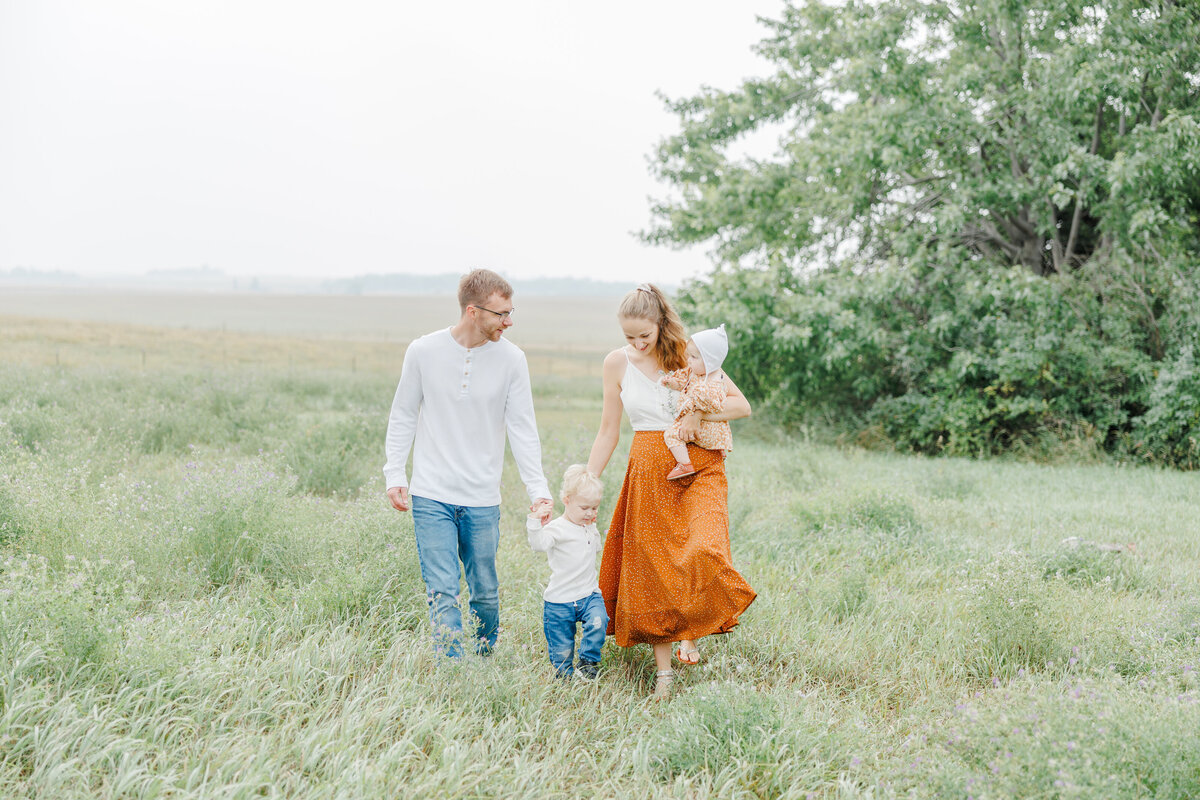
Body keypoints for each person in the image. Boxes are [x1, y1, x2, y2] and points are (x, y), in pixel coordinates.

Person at [586, 283, 756, 699]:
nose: (638, 344)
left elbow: (742, 405)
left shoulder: (690, 354)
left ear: (661, 325)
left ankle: (692, 628)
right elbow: (609, 429)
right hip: (648, 468)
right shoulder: (616, 364)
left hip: (700, 466)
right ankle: (664, 675)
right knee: (653, 569)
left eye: (645, 335)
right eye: (630, 337)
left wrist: (699, 411)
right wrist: (589, 478)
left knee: (704, 547)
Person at [383, 268, 551, 658]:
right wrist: (395, 472)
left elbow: (523, 428)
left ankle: (484, 658)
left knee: (486, 594)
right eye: (501, 314)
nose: (509, 322)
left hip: (482, 497)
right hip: (431, 494)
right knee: (442, 590)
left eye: (511, 312)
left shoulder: (512, 359)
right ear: (473, 311)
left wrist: (538, 489)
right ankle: (452, 672)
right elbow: (403, 414)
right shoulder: (423, 351)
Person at [526, 465, 608, 679]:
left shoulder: (588, 525)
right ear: (567, 500)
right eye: (584, 508)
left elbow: (595, 548)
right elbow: (539, 545)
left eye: (594, 508)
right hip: (560, 600)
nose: (590, 513)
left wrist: (592, 527)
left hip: (589, 594)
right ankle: (564, 676)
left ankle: (588, 660)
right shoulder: (557, 528)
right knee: (562, 648)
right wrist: (535, 522)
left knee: (599, 620)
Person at [661, 324, 733, 481]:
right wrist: (672, 383)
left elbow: (714, 403)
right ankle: (717, 449)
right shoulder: (695, 372)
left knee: (672, 434)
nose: (688, 361)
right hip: (713, 434)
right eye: (689, 356)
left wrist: (695, 405)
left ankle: (684, 464)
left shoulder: (714, 380)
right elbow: (683, 384)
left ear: (710, 361)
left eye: (694, 357)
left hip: (704, 430)